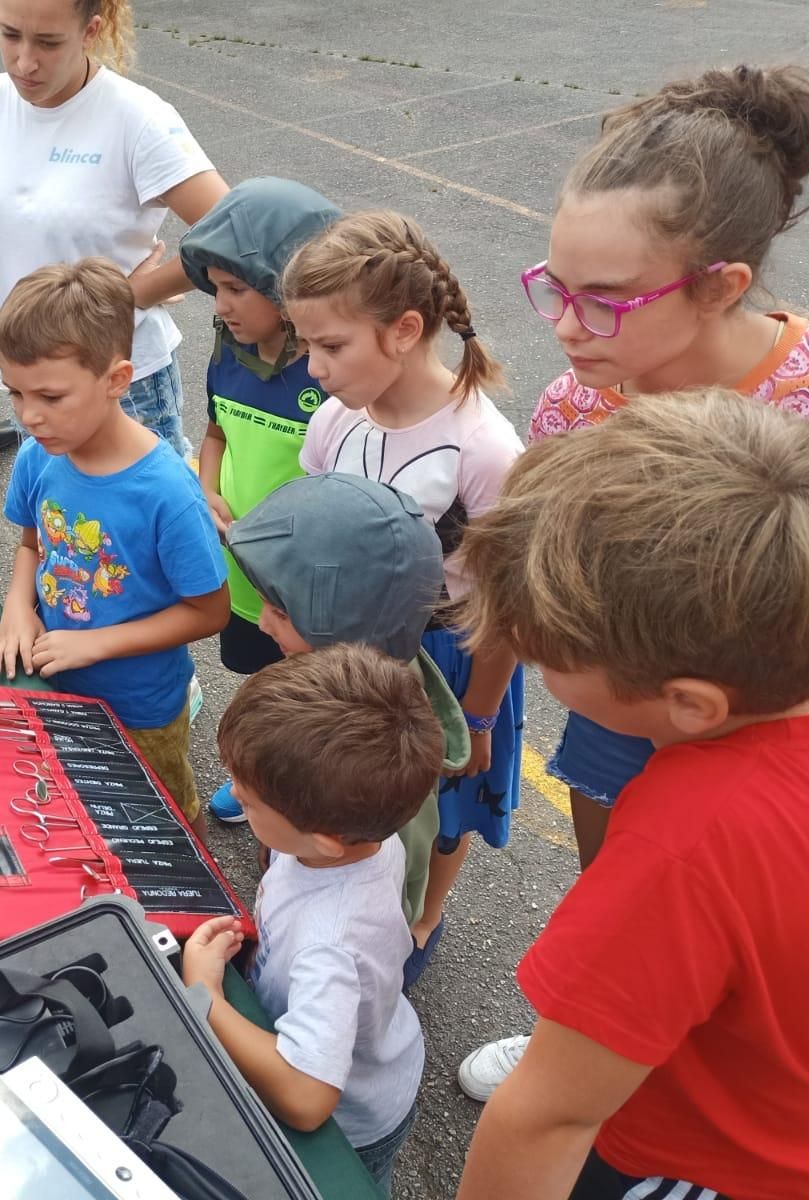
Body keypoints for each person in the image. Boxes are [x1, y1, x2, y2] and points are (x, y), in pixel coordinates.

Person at [458, 63, 809, 1103]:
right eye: (556, 289)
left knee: (756, 935)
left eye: (606, 300)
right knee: (624, 885)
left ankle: (699, 1067)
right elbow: (530, 575)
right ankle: (594, 1037)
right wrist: (478, 709)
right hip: (622, 703)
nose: (566, 327)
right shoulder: (582, 404)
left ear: (721, 285)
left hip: (792, 732)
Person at [453, 392, 809, 1200]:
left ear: (693, 705)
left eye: (548, 661)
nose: (534, 668)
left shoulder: (691, 844)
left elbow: (548, 1121)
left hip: (711, 1162)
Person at [282, 211, 525, 986]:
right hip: (349, 650)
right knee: (351, 785)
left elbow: (505, 608)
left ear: (403, 329)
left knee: (445, 797)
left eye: (330, 345)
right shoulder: (331, 424)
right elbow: (317, 537)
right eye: (305, 344)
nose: (312, 366)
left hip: (447, 661)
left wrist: (480, 717)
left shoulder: (483, 450)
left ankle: (424, 912)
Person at [182, 643, 441, 1194]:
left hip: (353, 1123)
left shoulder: (329, 943)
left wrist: (205, 994)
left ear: (322, 837)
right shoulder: (369, 837)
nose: (233, 799)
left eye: (248, 802)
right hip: (373, 1045)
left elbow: (306, 1098)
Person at [0, 259, 229, 823]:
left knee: (157, 820)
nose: (30, 416)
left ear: (117, 379)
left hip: (140, 704)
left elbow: (210, 611)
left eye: (50, 396)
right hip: (56, 679)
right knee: (80, 809)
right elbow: (29, 545)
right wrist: (18, 608)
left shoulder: (167, 492)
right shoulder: (38, 455)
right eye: (15, 393)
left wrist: (96, 644)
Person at [0, 0, 230, 457]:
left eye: (48, 42)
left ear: (90, 32)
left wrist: (135, 293)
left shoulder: (137, 119)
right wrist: (24, 220)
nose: (24, 61)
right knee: (61, 521)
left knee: (141, 524)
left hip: (120, 384)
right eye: (10, 34)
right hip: (26, 379)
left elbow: (236, 227)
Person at [225, 472, 470, 929]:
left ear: (349, 621)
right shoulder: (343, 667)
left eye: (280, 611)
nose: (261, 624)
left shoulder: (377, 745)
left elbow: (403, 876)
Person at [177, 177, 340, 823]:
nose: (221, 306)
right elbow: (215, 433)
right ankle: (263, 778)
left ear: (288, 288)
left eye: (236, 289)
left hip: (306, 581)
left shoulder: (328, 371)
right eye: (215, 288)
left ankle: (300, 790)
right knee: (262, 678)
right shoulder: (230, 354)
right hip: (244, 572)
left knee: (316, 689)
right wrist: (205, 486)